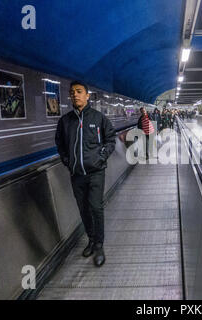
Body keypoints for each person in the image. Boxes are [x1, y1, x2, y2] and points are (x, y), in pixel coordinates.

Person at [55, 80, 116, 267]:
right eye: (72, 92)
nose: (75, 94)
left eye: (79, 91)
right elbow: (60, 144)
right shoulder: (65, 121)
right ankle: (91, 239)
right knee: (83, 209)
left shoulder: (98, 118)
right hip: (77, 175)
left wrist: (101, 157)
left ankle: (99, 245)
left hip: (96, 172)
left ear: (87, 96)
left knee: (96, 207)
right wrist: (67, 161)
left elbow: (111, 139)